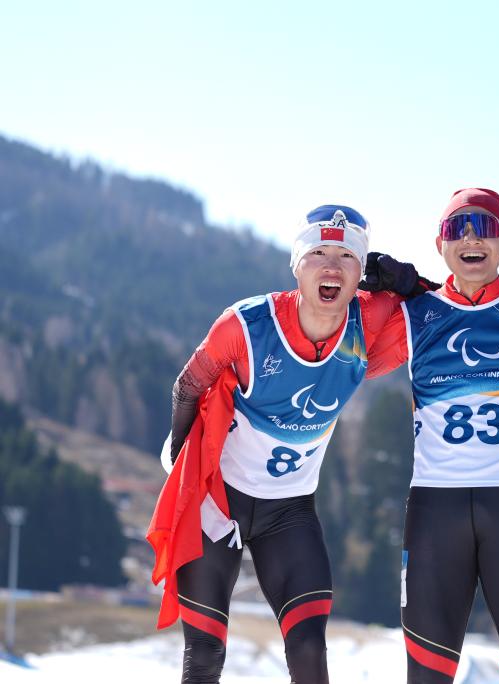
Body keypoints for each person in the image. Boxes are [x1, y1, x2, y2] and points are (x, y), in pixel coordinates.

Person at [148, 204, 429, 683]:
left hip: (289, 512)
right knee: (205, 653)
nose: (332, 266)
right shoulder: (247, 325)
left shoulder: (369, 318)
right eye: (318, 253)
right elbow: (187, 386)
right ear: (296, 264)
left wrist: (409, 282)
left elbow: (449, 309)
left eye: (347, 256)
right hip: (217, 503)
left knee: (308, 648)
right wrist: (182, 468)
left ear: (361, 272)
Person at [363, 188, 499, 683]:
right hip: (435, 512)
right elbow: (351, 363)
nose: (469, 239)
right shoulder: (417, 315)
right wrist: (387, 294)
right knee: (427, 675)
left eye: (483, 227)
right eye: (455, 229)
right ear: (439, 244)